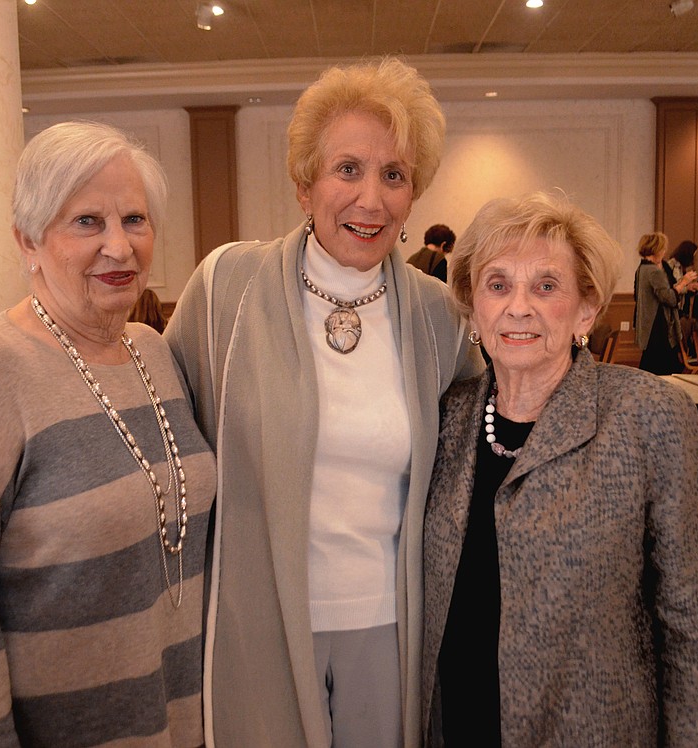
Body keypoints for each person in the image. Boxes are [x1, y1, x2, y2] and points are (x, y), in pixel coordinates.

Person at [165, 57, 484, 748]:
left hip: (391, 623)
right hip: (260, 620)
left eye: (394, 175)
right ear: (305, 184)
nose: (371, 199)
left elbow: (483, 444)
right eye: (348, 169)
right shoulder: (227, 288)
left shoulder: (439, 317)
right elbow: (164, 426)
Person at [0, 121, 216, 746]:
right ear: (28, 241)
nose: (120, 248)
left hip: (181, 719)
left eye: (134, 219)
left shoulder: (154, 353)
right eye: (86, 223)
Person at [421, 191, 698, 747]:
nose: (518, 307)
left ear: (586, 310)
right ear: (474, 308)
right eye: (497, 285)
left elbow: (697, 632)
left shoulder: (648, 414)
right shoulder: (446, 418)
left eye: (546, 286)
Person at [633, 231, 697, 374]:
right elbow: (669, 298)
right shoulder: (654, 271)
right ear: (656, 250)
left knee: (651, 364)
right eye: (662, 249)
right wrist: (684, 283)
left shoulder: (641, 269)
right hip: (659, 325)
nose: (664, 252)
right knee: (663, 368)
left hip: (649, 323)